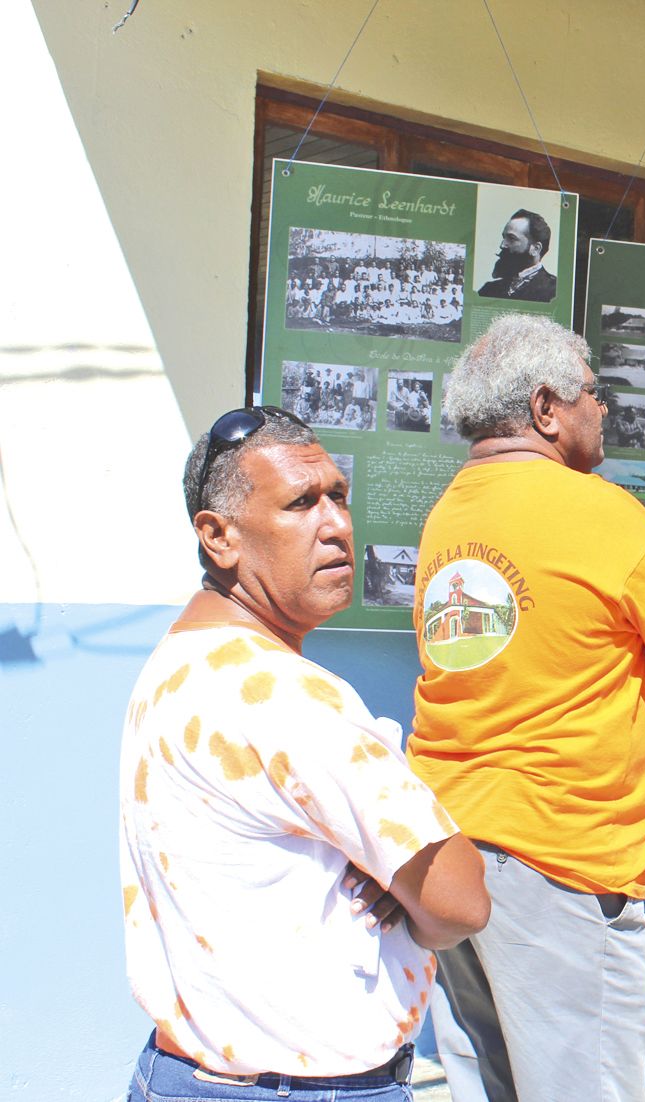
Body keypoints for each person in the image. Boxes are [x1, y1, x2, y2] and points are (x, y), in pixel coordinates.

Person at [407, 313, 645, 1102]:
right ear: (547, 408)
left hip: (446, 850)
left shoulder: (449, 511)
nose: (604, 411)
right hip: (560, 859)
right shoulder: (602, 513)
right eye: (595, 393)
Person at [120, 406, 489, 1102]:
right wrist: (403, 881)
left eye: (338, 497)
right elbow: (461, 900)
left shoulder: (177, 660)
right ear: (218, 537)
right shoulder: (287, 699)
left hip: (181, 1076)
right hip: (302, 1087)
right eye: (301, 503)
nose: (337, 525)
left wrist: (389, 870)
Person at [476, 209, 557, 302]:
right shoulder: (488, 290)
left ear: (536, 249)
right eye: (504, 237)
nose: (502, 245)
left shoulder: (554, 291)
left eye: (511, 238)